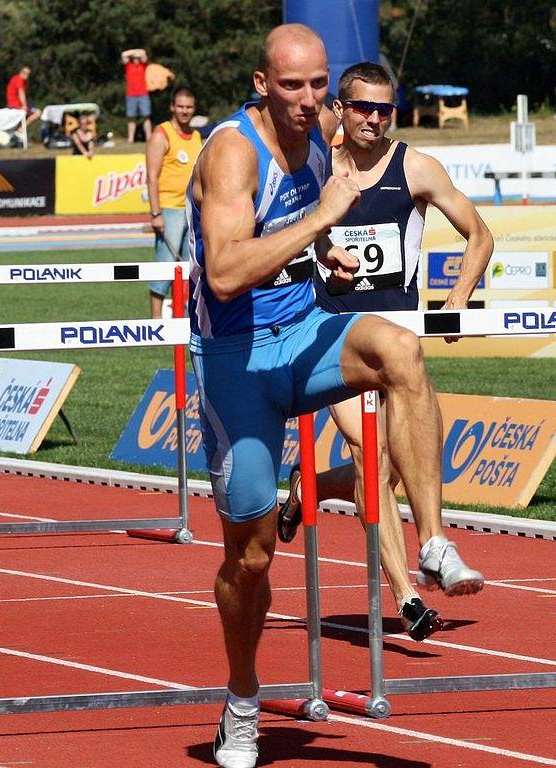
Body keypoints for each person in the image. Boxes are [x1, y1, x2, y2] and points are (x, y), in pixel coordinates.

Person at [187, 24, 484, 768]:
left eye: (320, 85)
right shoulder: (232, 151)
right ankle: (243, 700)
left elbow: (302, 216)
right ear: (262, 84)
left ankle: (435, 542)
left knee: (400, 351)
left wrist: (328, 252)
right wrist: (323, 221)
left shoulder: (320, 133)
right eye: (293, 86)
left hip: (308, 330)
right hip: (238, 358)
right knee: (250, 561)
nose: (311, 100)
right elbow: (222, 274)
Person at [277, 61, 494, 643]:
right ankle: (407, 594)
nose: (375, 119)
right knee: (372, 457)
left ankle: (310, 486)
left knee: (398, 463)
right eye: (364, 108)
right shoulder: (316, 169)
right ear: (341, 111)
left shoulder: (416, 167)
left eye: (385, 110)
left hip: (398, 344)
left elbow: (480, 234)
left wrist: (458, 297)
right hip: (331, 337)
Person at [146, 87, 202, 318]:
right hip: (169, 209)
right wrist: (155, 213)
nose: (184, 111)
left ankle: (185, 318)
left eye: (188, 107)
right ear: (172, 107)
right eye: (180, 106)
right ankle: (156, 320)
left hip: (190, 211)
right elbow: (151, 176)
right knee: (164, 266)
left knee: (189, 269)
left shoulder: (197, 136)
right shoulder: (162, 134)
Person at [121, 48, 152, 143]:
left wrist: (136, 53)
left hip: (143, 94)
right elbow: (123, 54)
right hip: (131, 95)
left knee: (146, 116)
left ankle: (149, 138)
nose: (136, 58)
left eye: (137, 56)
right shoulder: (128, 66)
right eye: (134, 57)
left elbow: (143, 53)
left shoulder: (143, 65)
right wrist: (134, 53)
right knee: (131, 117)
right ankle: (130, 138)